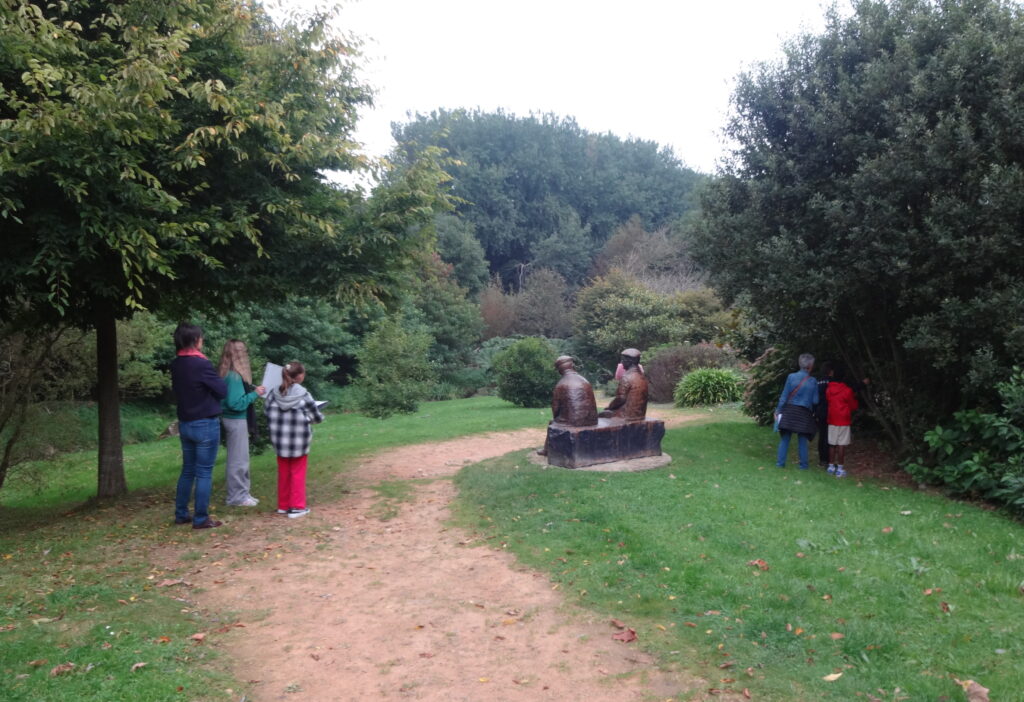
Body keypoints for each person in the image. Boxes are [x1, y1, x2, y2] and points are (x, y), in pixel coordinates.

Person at [170, 323, 227, 529]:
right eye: (201, 338)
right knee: (204, 472)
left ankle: (181, 514)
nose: (202, 340)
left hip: (186, 423)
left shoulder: (176, 364)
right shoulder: (201, 364)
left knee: (188, 471)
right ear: (195, 340)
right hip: (205, 422)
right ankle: (201, 518)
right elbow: (222, 390)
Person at [265, 361, 324, 518]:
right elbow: (316, 417)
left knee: (283, 472)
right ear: (300, 376)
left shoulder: (273, 393)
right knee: (297, 473)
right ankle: (297, 507)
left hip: (280, 440)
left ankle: (283, 506)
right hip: (299, 440)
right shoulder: (304, 394)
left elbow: (267, 412)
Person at [217, 340, 265, 507]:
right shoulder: (234, 377)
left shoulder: (227, 374)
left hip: (232, 419)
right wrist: (255, 394)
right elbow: (235, 403)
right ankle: (237, 497)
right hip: (235, 420)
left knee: (240, 458)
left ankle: (243, 493)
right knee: (238, 460)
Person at [774, 353, 818, 470]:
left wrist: (778, 410)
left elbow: (784, 396)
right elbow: (815, 400)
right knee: (802, 440)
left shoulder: (791, 377)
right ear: (810, 366)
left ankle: (780, 464)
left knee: (785, 439)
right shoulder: (813, 381)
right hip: (804, 413)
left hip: (789, 411)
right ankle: (803, 466)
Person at [825, 366, 859, 478]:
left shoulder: (829, 389)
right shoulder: (847, 390)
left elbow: (828, 400)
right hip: (844, 420)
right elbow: (853, 405)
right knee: (841, 445)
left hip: (832, 419)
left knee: (832, 444)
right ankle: (840, 469)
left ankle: (830, 467)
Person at [599, 349, 648, 421]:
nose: (622, 363)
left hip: (627, 415)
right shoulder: (642, 376)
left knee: (601, 415)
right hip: (640, 415)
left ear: (629, 362)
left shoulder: (627, 377)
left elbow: (621, 398)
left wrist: (610, 407)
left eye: (623, 360)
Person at [815, 361, 835, 467]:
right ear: (831, 371)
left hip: (819, 411)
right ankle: (827, 460)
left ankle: (821, 459)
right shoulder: (832, 382)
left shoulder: (817, 382)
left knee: (822, 435)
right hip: (830, 411)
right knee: (828, 436)